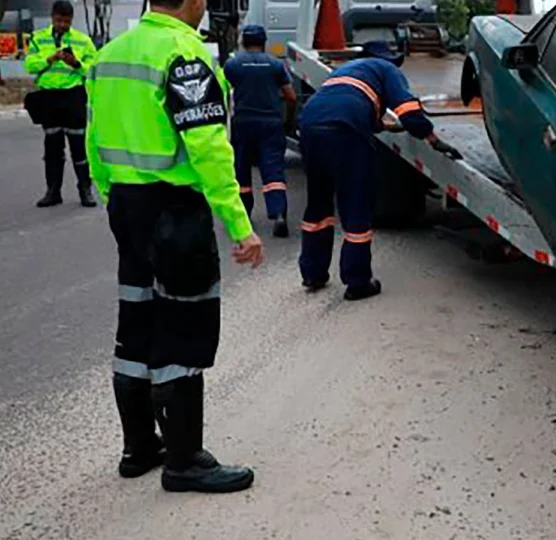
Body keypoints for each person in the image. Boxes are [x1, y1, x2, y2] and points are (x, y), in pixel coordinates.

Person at [85, 0, 264, 493]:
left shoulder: (110, 54)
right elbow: (207, 146)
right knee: (184, 327)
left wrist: (111, 197)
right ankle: (184, 460)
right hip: (174, 210)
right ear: (189, 1)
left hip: (128, 204)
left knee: (137, 322)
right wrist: (238, 222)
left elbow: (93, 137)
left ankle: (139, 447)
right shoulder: (184, 53)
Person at [297, 41, 462, 300]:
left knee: (318, 203)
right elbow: (408, 111)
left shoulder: (345, 70)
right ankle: (357, 281)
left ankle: (312, 272)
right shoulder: (387, 70)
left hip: (310, 125)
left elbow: (349, 102)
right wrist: (431, 138)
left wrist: (380, 126)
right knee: (356, 204)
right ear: (392, 61)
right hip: (346, 131)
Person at [223, 25, 297, 238]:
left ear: (243, 42)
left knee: (242, 167)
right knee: (273, 169)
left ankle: (244, 214)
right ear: (264, 42)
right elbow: (291, 96)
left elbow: (220, 91)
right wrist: (289, 120)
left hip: (243, 123)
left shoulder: (233, 64)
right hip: (270, 123)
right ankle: (278, 213)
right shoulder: (275, 64)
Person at [23, 0, 97, 208]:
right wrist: (50, 59)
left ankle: (85, 191)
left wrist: (76, 63)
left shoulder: (82, 41)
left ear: (72, 20)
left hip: (73, 97)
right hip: (49, 98)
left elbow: (93, 70)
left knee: (79, 148)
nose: (63, 24)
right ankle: (53, 192)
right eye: (59, 20)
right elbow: (29, 65)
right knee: (52, 148)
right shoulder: (39, 38)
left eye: (66, 21)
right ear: (52, 17)